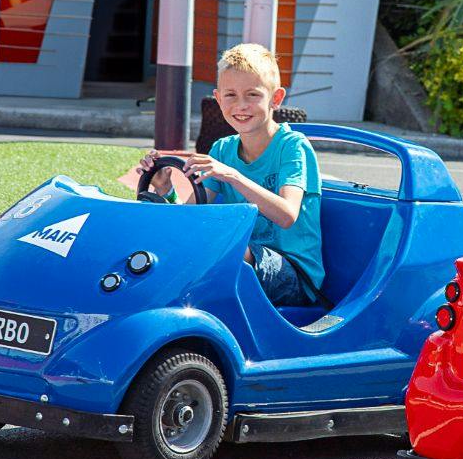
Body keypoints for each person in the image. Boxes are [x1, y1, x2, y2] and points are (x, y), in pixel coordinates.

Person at [137, 43, 325, 308]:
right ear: (217, 97)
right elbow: (193, 217)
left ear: (276, 98)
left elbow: (287, 215)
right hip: (242, 261)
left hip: (295, 276)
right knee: (179, 242)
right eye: (231, 95)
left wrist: (233, 176)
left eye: (252, 95)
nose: (241, 106)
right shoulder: (223, 149)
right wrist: (165, 190)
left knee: (223, 248)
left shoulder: (293, 145)